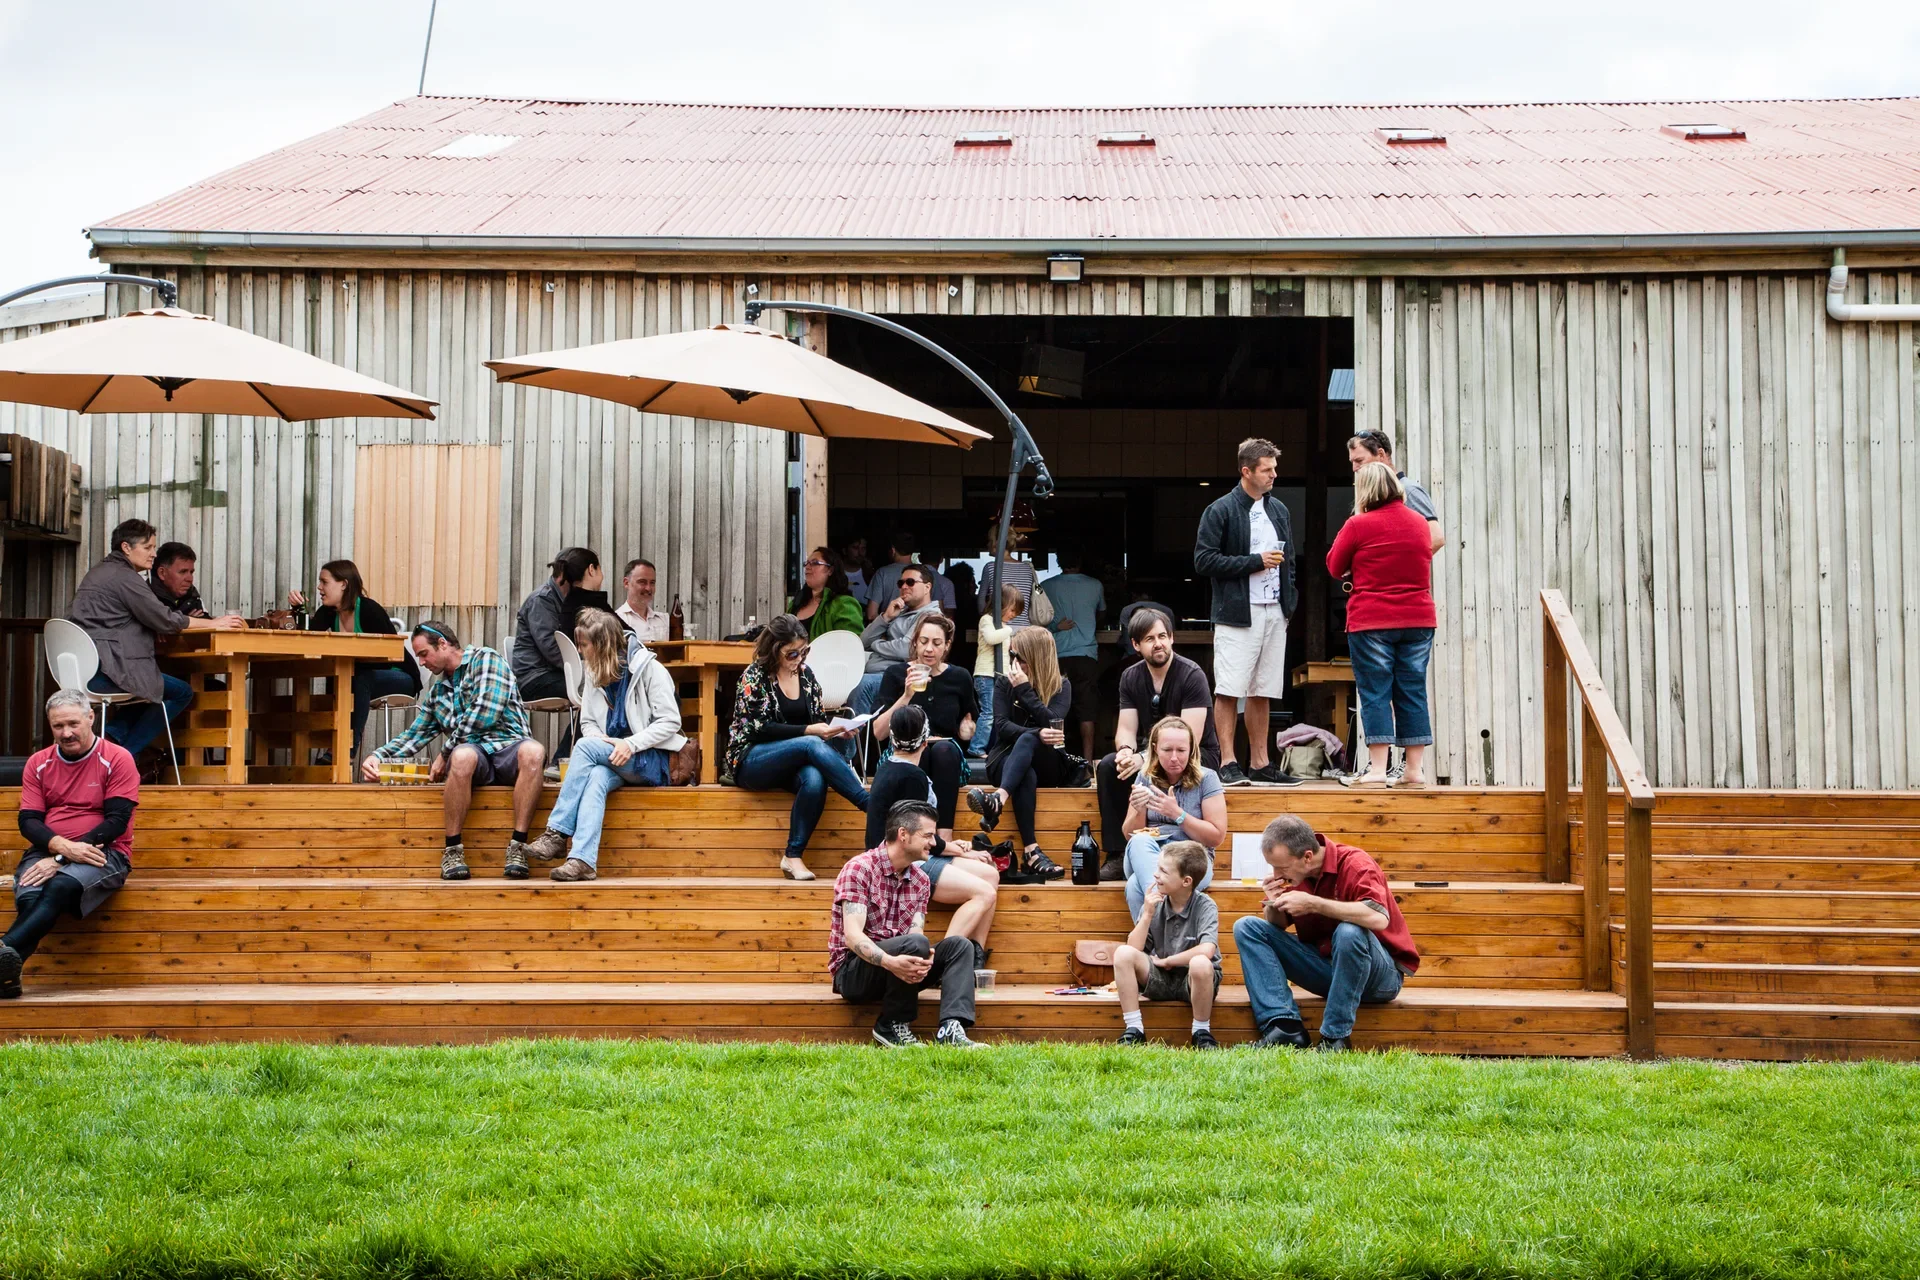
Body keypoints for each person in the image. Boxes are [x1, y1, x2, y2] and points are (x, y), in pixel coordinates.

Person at [361, 621, 546, 881]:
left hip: (509, 747)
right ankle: (453, 850)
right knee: (462, 755)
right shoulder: (438, 693)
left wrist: (444, 752)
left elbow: (484, 713)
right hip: (473, 758)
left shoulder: (487, 660)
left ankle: (518, 846)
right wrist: (378, 755)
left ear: (443, 644)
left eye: (424, 654)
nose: (422, 663)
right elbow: (415, 735)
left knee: (534, 751)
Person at [66, 518, 244, 768]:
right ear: (127, 548)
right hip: (108, 670)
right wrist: (215, 623)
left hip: (89, 668)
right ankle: (122, 758)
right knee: (180, 692)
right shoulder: (125, 578)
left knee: (153, 688)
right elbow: (163, 619)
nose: (153, 554)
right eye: (148, 547)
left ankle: (114, 737)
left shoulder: (98, 573)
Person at [1233, 814, 1421, 1052]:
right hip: (1329, 970)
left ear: (1307, 857)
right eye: (1272, 867)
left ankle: (1335, 1038)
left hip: (1379, 979)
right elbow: (1278, 925)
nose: (1276, 874)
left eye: (1281, 867)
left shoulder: (1356, 863)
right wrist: (1274, 903)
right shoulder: (1296, 874)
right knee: (1247, 927)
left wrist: (1314, 903)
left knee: (1350, 931)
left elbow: (1378, 918)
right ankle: (1284, 1028)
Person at [526, 609, 684, 882]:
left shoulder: (650, 669)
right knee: (596, 776)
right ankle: (582, 860)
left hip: (650, 759)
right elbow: (587, 722)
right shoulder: (594, 670)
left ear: (601, 645)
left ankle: (557, 832)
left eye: (584, 644)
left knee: (585, 748)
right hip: (611, 756)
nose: (579, 650)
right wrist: (603, 742)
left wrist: (630, 744)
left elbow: (670, 722)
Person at [0, 690, 139, 999]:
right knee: (30, 898)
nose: (66, 733)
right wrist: (62, 849)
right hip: (47, 850)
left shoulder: (117, 758)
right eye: (58, 726)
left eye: (73, 724)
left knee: (60, 887)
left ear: (91, 718)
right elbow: (29, 821)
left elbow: (117, 821)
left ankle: (4, 952)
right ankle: (7, 979)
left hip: (105, 853)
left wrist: (63, 858)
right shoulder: (38, 763)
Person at [724, 614, 870, 881]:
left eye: (804, 652)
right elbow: (757, 727)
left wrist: (838, 729)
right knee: (809, 743)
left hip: (795, 757)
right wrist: (810, 732)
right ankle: (869, 803)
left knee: (814, 779)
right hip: (751, 758)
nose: (800, 659)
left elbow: (816, 722)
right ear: (775, 648)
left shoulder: (806, 675)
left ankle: (793, 856)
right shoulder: (754, 676)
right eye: (793, 654)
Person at [831, 799, 985, 1049]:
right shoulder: (859, 869)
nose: (934, 843)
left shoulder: (920, 880)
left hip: (899, 970)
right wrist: (891, 961)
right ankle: (891, 1025)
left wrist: (926, 958)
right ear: (903, 834)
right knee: (915, 944)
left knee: (959, 946)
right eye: (928, 835)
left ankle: (951, 1028)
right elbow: (852, 937)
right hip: (854, 972)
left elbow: (916, 933)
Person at [1194, 438, 1299, 787]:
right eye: (1267, 469)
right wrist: (1255, 562)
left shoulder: (1279, 510)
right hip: (1238, 612)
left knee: (1263, 688)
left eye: (1274, 468)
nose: (1274, 475)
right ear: (1247, 471)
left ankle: (1261, 762)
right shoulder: (1220, 509)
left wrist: (1290, 602)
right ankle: (1227, 761)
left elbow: (1292, 561)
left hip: (1274, 611)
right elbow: (1203, 560)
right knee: (1229, 687)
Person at [1327, 463, 1437, 788]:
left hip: (1372, 619)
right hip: (1418, 618)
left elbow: (1334, 565)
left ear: (1365, 491)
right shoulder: (1419, 523)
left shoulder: (1358, 525)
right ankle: (1414, 771)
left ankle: (1377, 769)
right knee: (1412, 689)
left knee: (1375, 691)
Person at [1094, 608, 1224, 880]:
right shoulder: (1130, 676)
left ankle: (1178, 847)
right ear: (1136, 645)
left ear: (1172, 638)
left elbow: (1190, 738)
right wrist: (1126, 752)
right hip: (1152, 753)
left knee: (1164, 762)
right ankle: (1118, 853)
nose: (1158, 644)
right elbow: (1126, 729)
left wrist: (1144, 758)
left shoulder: (1192, 674)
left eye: (1163, 636)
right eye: (1150, 638)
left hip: (1196, 754)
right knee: (1110, 767)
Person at [863, 705, 1000, 962]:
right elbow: (918, 841)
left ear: (893, 739)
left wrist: (953, 847)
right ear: (926, 741)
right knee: (985, 892)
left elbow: (919, 836)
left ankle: (976, 954)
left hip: (908, 854)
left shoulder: (889, 768)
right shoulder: (912, 776)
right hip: (901, 865)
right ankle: (943, 960)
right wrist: (960, 851)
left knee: (990, 874)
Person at [964, 626, 1072, 880]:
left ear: (1037, 657)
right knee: (1027, 773)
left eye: (1021, 657)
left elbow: (1054, 721)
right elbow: (1000, 726)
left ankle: (997, 800)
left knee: (1028, 741)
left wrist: (1025, 691)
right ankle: (1032, 852)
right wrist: (1036, 733)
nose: (1015, 662)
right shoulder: (1003, 682)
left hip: (1050, 761)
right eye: (1012, 654)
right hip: (1005, 759)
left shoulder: (1061, 685)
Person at [288, 559, 422, 762]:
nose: (319, 587)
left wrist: (352, 660)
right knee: (340, 674)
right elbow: (307, 641)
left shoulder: (369, 609)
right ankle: (332, 746)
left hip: (400, 677)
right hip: (360, 677)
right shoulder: (328, 612)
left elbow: (391, 654)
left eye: (324, 582)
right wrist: (299, 610)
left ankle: (346, 750)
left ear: (343, 584)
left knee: (357, 675)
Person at [872, 612, 975, 842]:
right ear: (915, 642)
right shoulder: (896, 674)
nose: (929, 649)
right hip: (903, 752)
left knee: (943, 750)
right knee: (922, 753)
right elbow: (878, 732)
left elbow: (968, 725)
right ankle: (916, 837)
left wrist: (967, 731)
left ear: (946, 646)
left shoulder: (960, 677)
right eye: (924, 641)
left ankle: (944, 836)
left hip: (946, 757)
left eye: (937, 643)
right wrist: (906, 695)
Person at [1112, 840, 1221, 1050]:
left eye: (1163, 871)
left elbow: (1207, 949)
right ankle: (1134, 1030)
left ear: (1186, 881)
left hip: (1195, 982)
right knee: (1123, 953)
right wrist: (1147, 916)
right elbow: (1133, 949)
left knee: (1200, 962)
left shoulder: (1205, 905)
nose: (1155, 875)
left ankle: (1201, 1033)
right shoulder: (1156, 903)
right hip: (1162, 978)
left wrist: (1169, 961)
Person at [1119, 717, 1228, 920]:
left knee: (1135, 885)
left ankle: (1152, 947)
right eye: (1167, 750)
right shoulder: (1144, 777)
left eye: (1181, 750)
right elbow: (1129, 835)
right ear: (1155, 749)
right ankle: (1162, 915)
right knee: (1140, 840)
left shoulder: (1208, 778)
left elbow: (1216, 837)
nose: (1174, 757)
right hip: (1150, 854)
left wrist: (1177, 814)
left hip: (1191, 858)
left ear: (1191, 750)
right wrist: (1138, 808)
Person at [1040, 545, 1106, 759]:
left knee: (1056, 710)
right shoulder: (1095, 585)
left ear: (1058, 562)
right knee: (1086, 710)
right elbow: (1101, 614)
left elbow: (1038, 621)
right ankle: (1086, 762)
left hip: (1056, 656)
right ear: (1081, 561)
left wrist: (1056, 627)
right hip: (1086, 655)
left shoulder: (1046, 586)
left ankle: (1058, 760)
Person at [513, 547, 603, 702]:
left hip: (557, 672)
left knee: (602, 685)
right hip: (535, 677)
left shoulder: (570, 599)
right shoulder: (541, 600)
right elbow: (553, 649)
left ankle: (580, 727)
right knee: (596, 690)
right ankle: (583, 727)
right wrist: (591, 667)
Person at [850, 562, 939, 714]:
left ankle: (860, 737)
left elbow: (907, 649)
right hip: (875, 672)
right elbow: (862, 642)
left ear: (927, 587)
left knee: (861, 685)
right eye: (901, 583)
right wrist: (885, 617)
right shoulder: (899, 612)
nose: (904, 586)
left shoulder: (930, 616)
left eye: (910, 582)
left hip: (901, 677)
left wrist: (877, 644)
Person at [1348, 430, 1445, 551]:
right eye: (1352, 462)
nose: (1354, 468)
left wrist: (1401, 564)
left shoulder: (1410, 491)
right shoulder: (1374, 496)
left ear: (1381, 454)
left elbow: (1436, 538)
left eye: (1359, 460)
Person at [969, 584, 1020, 758]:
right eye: (1012, 610)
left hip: (999, 676)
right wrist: (1008, 630)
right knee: (989, 712)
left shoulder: (1002, 626)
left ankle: (994, 746)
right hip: (986, 674)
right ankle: (976, 747)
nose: (1013, 615)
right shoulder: (987, 620)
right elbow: (991, 638)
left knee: (999, 713)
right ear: (1002, 604)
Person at [788, 547, 865, 640]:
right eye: (806, 563)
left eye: (815, 563)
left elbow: (850, 644)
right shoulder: (797, 602)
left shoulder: (843, 604)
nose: (807, 567)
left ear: (830, 570)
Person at [863, 531, 920, 621]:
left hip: (887, 631)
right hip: (918, 630)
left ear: (893, 550)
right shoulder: (924, 574)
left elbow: (871, 614)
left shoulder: (882, 573)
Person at [614, 557, 672, 644]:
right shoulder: (616, 621)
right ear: (626, 583)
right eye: (642, 582)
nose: (648, 588)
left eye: (652, 582)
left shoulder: (665, 621)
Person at [148, 542, 209, 618]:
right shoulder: (145, 597)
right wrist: (189, 623)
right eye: (183, 572)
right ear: (162, 573)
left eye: (191, 572)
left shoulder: (192, 596)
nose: (190, 579)